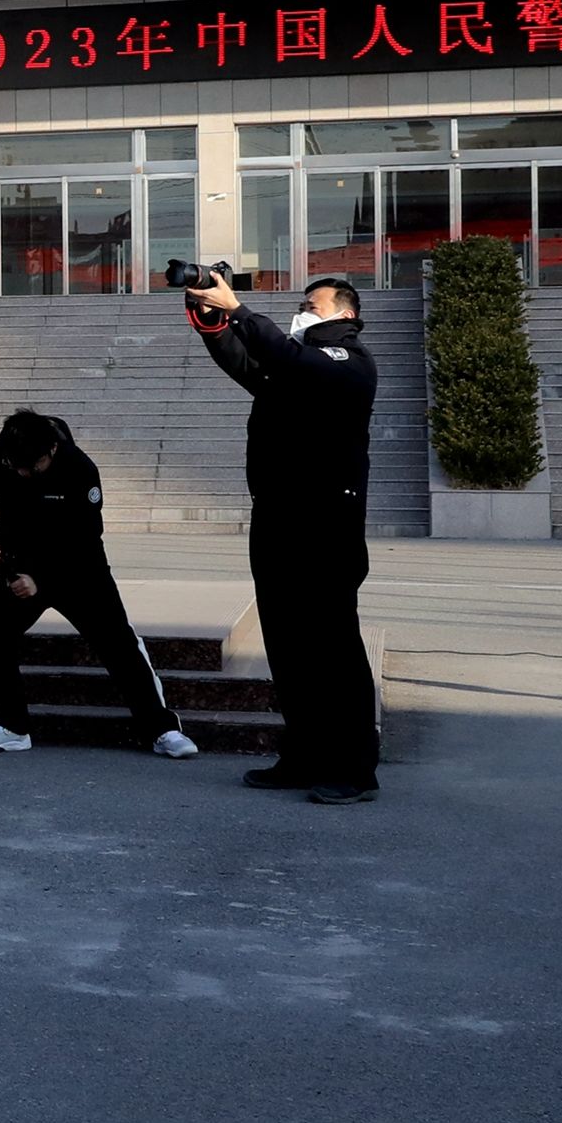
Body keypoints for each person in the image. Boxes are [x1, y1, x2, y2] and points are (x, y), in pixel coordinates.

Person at [184, 267, 381, 802]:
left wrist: (243, 312)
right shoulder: (292, 364)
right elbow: (248, 365)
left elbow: (292, 360)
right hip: (277, 516)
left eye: (313, 304)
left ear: (346, 314)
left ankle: (356, 768)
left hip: (326, 524)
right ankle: (303, 755)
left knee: (332, 647)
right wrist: (214, 322)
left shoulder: (348, 360)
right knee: (287, 644)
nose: (304, 309)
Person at [0, 410, 197, 760]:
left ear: (51, 449)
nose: (22, 473)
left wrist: (41, 580)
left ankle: (162, 729)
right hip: (18, 561)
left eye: (32, 467)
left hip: (80, 568)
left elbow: (84, 537)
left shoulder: (78, 467)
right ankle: (13, 727)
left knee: (118, 643)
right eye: (15, 465)